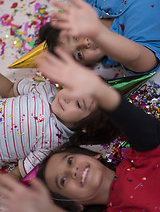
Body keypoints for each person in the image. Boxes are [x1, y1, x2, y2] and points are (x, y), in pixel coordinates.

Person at [35, 46, 160, 211]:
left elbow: (143, 130)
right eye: (62, 181)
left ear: (94, 155)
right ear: (76, 205)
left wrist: (96, 88)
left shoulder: (137, 161)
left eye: (70, 160)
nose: (72, 171)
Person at [0, 73, 114, 180]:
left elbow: (17, 173)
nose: (68, 97)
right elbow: (10, 90)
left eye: (78, 104)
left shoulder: (53, 143)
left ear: (86, 127)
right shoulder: (45, 90)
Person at [45, 0, 160, 75]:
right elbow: (137, 57)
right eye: (79, 54)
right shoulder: (127, 53)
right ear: (91, 66)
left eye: (75, 36)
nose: (84, 43)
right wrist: (98, 33)